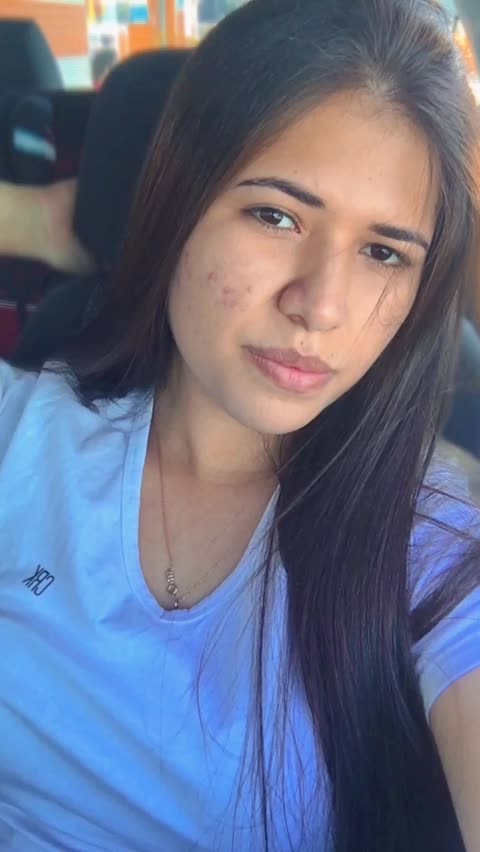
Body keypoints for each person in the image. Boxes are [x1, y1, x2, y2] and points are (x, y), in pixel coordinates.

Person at [0, 0, 479, 850]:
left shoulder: (430, 539)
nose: (320, 307)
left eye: (384, 252)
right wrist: (39, 219)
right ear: (177, 201)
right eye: (276, 215)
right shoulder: (23, 432)